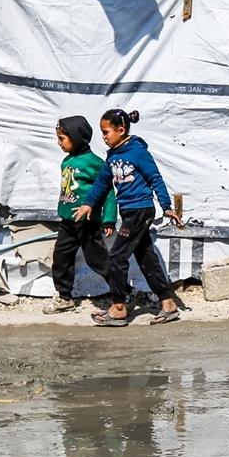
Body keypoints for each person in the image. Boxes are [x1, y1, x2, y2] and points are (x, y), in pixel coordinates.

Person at [73, 109, 184, 326]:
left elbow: (155, 178)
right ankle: (168, 304)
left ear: (121, 130)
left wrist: (166, 206)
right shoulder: (113, 155)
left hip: (141, 210)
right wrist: (88, 204)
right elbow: (102, 183)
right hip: (129, 211)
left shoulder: (138, 152)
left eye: (106, 132)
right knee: (145, 257)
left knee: (116, 256)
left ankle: (118, 307)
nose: (103, 136)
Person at [44, 116, 116, 315]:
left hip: (87, 223)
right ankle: (64, 297)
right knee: (61, 258)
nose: (59, 143)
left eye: (62, 138)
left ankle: (123, 292)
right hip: (68, 222)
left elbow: (108, 191)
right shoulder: (67, 161)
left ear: (76, 137)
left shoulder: (94, 163)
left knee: (98, 260)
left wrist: (109, 218)